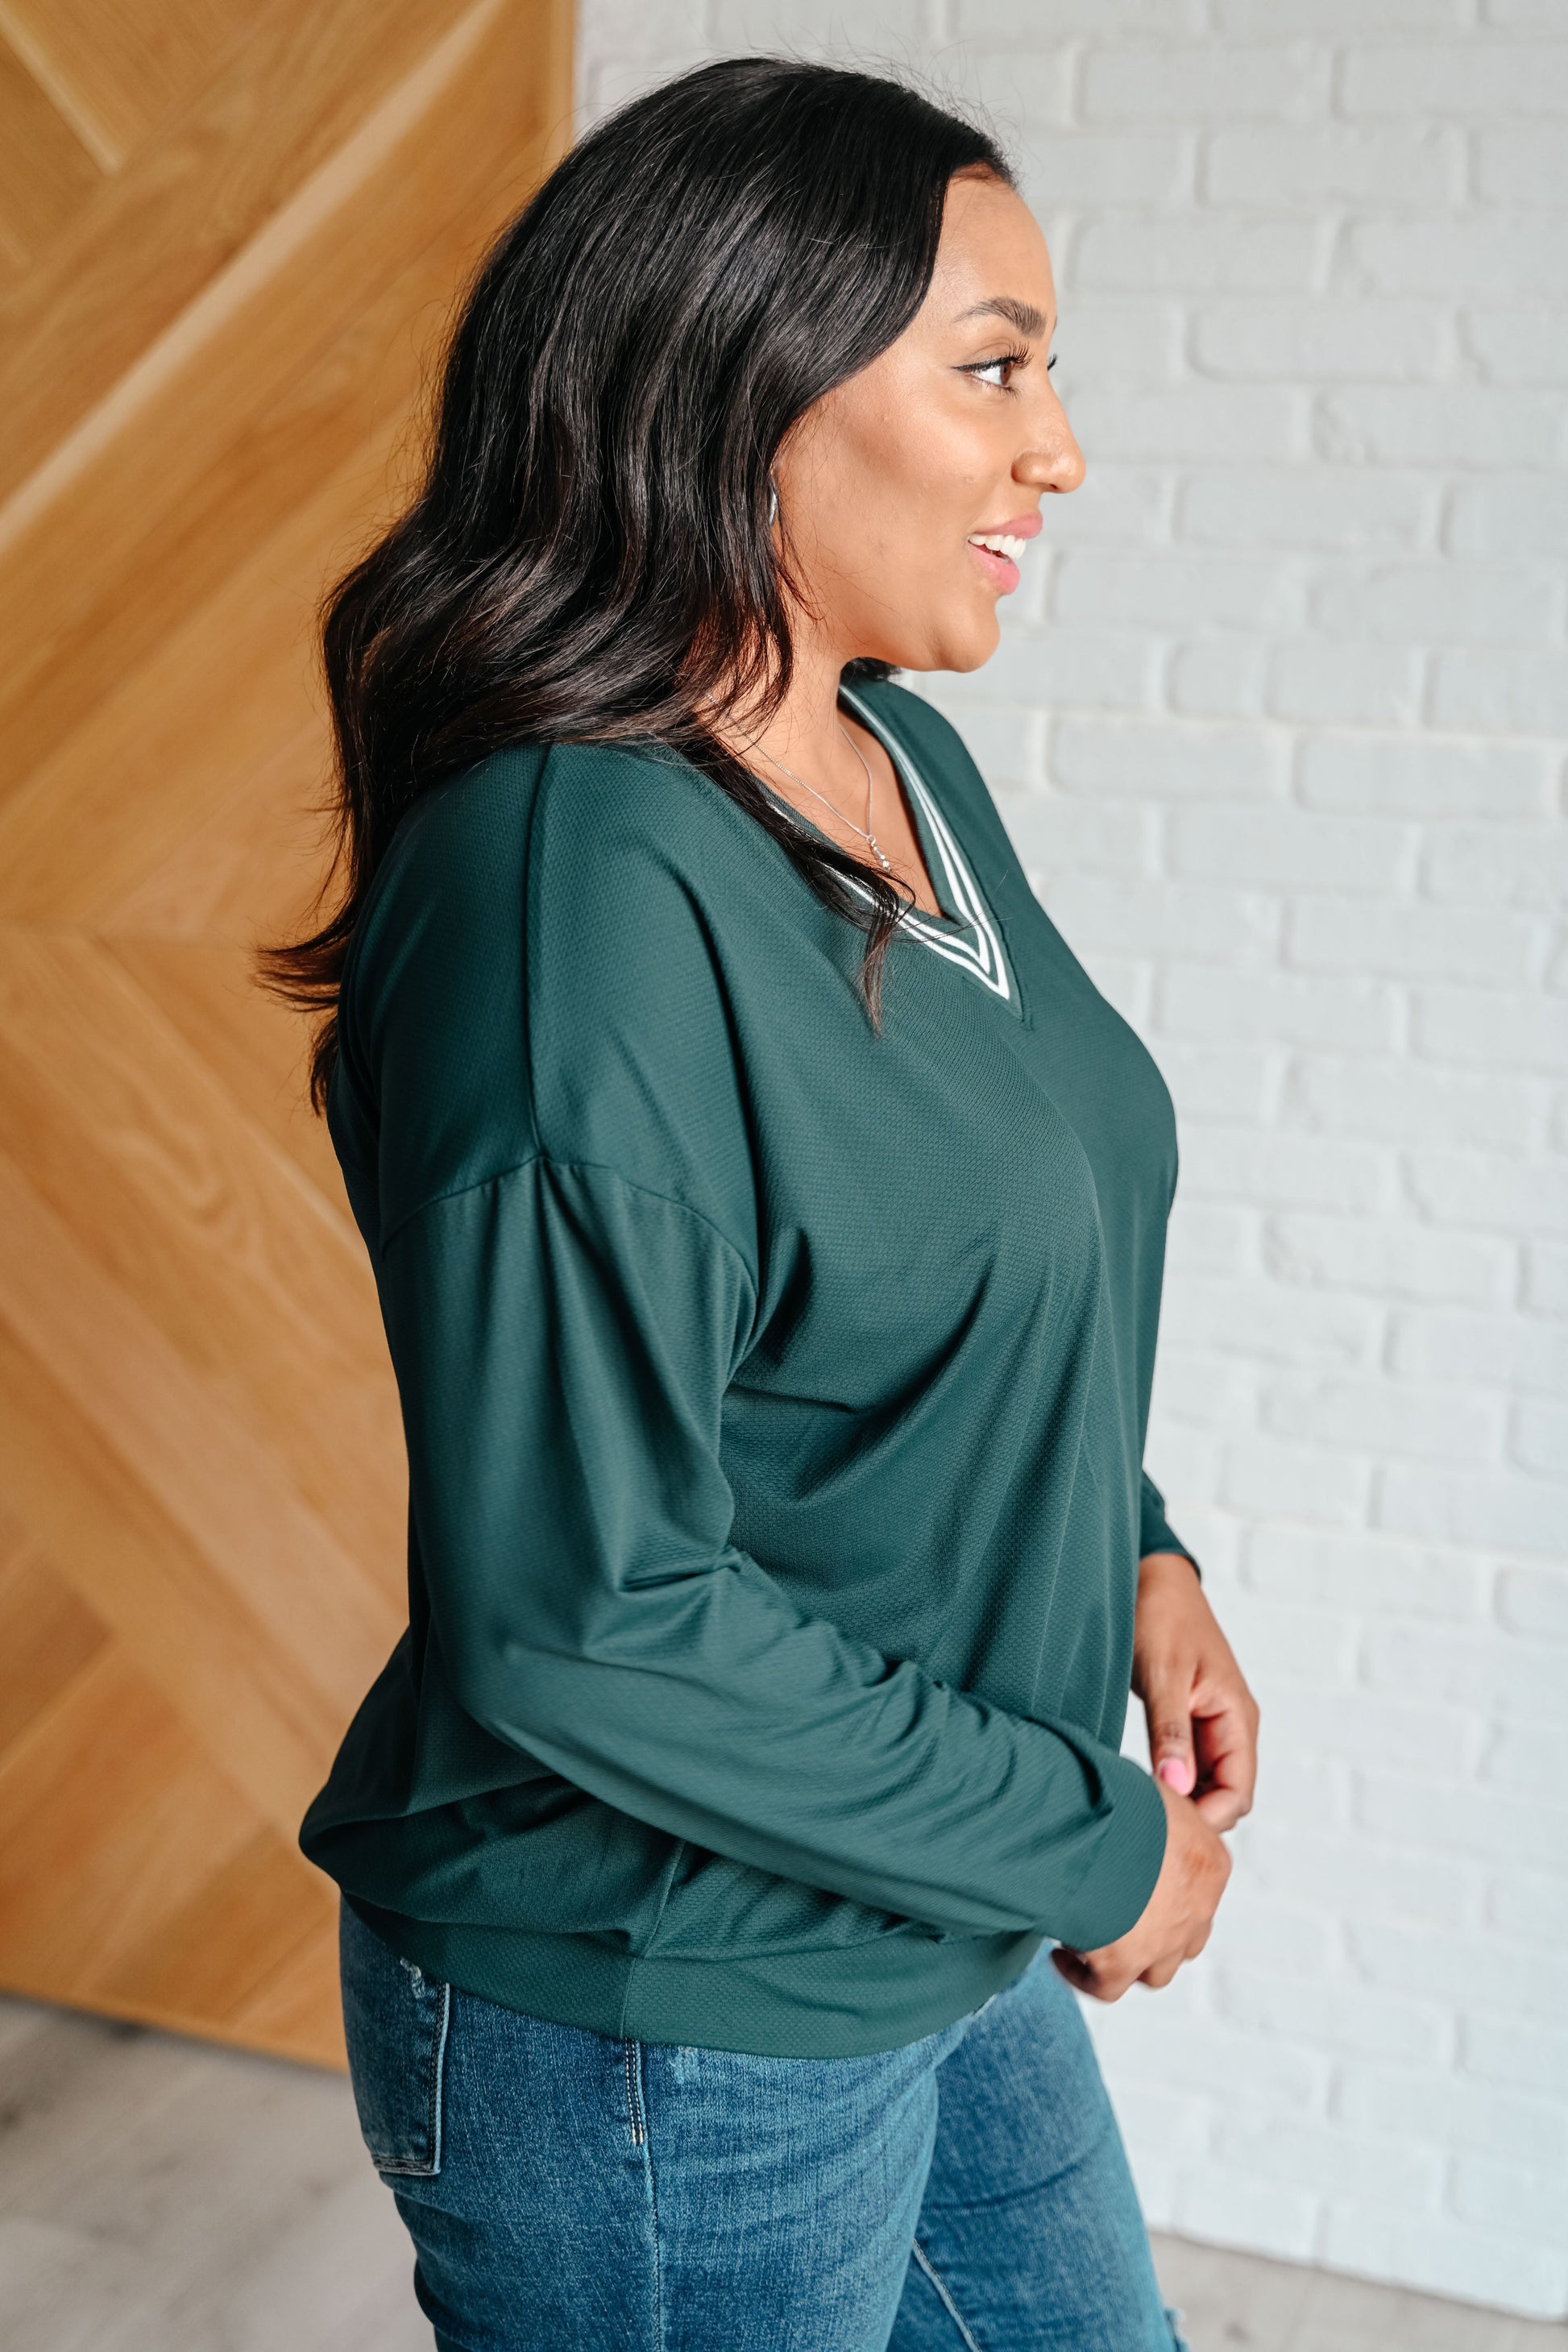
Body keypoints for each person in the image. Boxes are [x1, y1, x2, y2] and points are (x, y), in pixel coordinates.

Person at [268, 55, 1259, 2352]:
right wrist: (1096, 1840)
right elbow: (586, 1614)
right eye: (993, 368)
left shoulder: (894, 757)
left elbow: (975, 1229)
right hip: (664, 2021)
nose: (1056, 451)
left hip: (924, 1890)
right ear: (741, 388)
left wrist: (1135, 1548)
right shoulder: (571, 895)